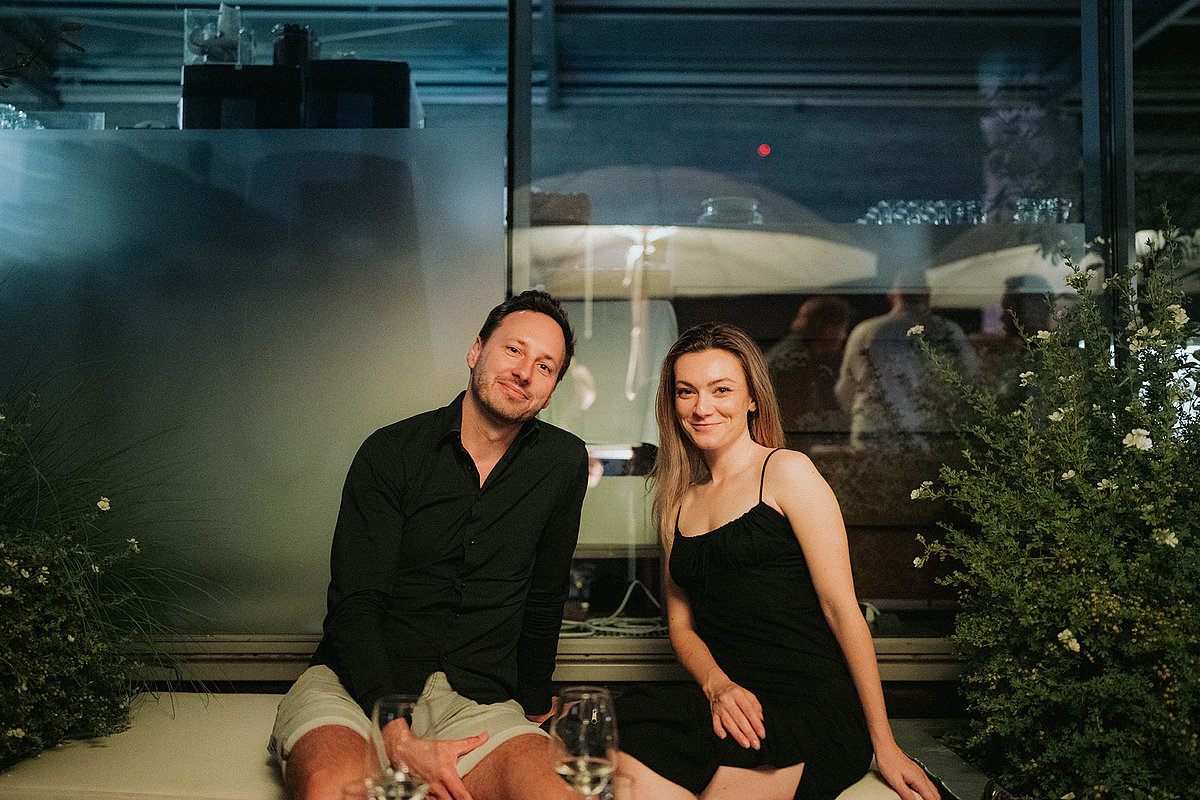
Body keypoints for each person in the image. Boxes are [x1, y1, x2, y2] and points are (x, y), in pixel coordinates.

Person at [268, 290, 591, 800]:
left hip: (478, 701)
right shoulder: (391, 452)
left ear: (550, 392)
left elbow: (545, 595)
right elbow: (355, 605)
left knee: (557, 794)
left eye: (545, 366)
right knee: (332, 788)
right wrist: (397, 736)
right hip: (358, 687)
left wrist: (533, 707)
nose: (524, 372)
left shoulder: (563, 463)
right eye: (513, 350)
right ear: (476, 350)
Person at [614, 322, 940, 800]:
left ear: (752, 399)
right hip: (732, 701)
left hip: (809, 706)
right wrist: (718, 686)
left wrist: (885, 745)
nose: (702, 407)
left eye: (721, 389)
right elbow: (681, 627)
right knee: (616, 746)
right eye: (687, 392)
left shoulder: (787, 472)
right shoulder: (675, 503)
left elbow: (842, 611)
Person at [834, 272, 977, 451]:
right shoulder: (948, 331)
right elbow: (970, 382)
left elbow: (845, 390)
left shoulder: (863, 332)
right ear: (927, 295)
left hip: (872, 437)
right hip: (930, 439)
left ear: (892, 296)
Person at [764, 296, 852, 443]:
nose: (844, 336)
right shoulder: (795, 363)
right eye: (841, 328)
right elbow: (796, 422)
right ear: (827, 328)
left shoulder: (798, 354)